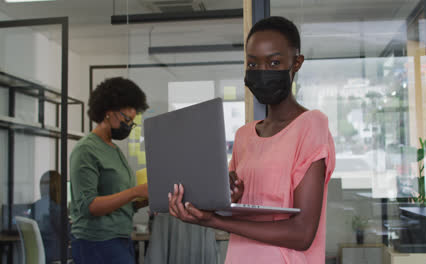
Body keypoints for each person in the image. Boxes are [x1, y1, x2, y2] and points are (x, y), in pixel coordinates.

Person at [168, 16, 336, 263]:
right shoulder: (244, 135)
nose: (262, 72)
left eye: (274, 62)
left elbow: (302, 233)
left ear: (297, 63)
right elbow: (237, 217)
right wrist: (222, 202)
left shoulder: (311, 125)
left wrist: (215, 219)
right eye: (253, 64)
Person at [70, 77, 149, 264]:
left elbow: (121, 201)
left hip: (120, 240)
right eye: (126, 119)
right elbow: (89, 206)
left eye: (132, 122)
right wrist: (135, 191)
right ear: (108, 111)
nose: (128, 126)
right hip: (96, 243)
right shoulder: (86, 150)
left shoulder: (114, 150)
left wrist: (146, 199)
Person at [32, 170, 67, 263]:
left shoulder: (35, 205)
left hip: (40, 254)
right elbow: (66, 234)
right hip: (54, 256)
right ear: (58, 187)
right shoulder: (55, 208)